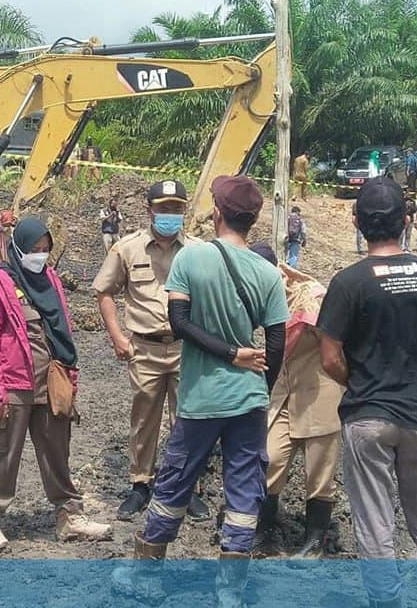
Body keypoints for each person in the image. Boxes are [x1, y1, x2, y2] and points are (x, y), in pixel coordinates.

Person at [112, 175, 289, 607]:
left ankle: (147, 574)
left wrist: (229, 354)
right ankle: (230, 588)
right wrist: (257, 386)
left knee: (175, 481)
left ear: (220, 213)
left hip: (201, 398)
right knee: (245, 489)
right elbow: (277, 341)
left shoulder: (192, 259)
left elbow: (180, 324)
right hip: (248, 399)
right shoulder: (269, 272)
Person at [318, 176, 417, 608]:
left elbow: (329, 356)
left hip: (368, 417)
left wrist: (364, 384)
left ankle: (386, 601)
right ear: (406, 221)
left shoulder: (348, 282)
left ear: (357, 221)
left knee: (375, 520)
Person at [0, 217, 112, 552]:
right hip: (13, 383)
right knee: (2, 453)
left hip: (51, 381)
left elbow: (62, 329)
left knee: (57, 452)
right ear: (18, 248)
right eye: (34, 249)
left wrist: (70, 375)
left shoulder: (50, 279)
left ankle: (69, 516)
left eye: (46, 249)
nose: (40, 255)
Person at [92, 180, 209, 522]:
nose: (169, 215)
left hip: (187, 347)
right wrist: (117, 337)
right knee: (144, 419)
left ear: (184, 211)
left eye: (175, 209)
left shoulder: (199, 251)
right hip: (144, 348)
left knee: (187, 419)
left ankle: (187, 487)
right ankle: (140, 484)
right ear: (149, 211)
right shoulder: (127, 249)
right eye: (163, 208)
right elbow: (104, 292)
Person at [252, 255, 344, 560]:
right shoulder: (262, 294)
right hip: (284, 389)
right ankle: (264, 530)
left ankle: (315, 538)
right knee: (270, 458)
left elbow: (338, 345)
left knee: (319, 469)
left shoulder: (310, 297)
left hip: (319, 390)